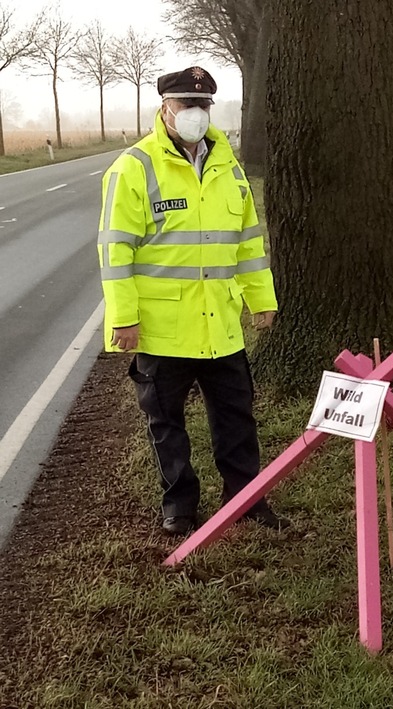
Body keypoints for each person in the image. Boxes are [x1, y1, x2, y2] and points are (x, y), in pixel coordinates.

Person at [97, 66, 289, 536]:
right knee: (167, 424)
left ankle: (245, 501)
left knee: (237, 420)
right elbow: (115, 250)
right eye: (186, 105)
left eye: (203, 106)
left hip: (220, 326)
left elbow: (247, 243)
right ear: (165, 108)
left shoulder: (229, 166)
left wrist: (261, 301)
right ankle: (179, 507)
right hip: (162, 329)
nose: (196, 115)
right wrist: (123, 318)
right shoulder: (134, 167)